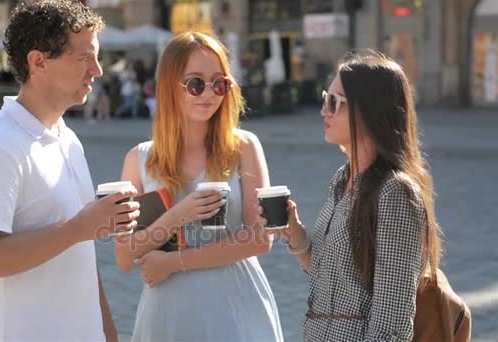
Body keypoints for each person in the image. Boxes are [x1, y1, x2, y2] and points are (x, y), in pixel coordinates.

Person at [0, 1, 139, 341]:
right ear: (38, 62)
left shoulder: (68, 139)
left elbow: (83, 260)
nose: (97, 70)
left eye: (96, 57)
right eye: (84, 57)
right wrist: (79, 228)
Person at [259, 50, 442, 341]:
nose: (324, 111)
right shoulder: (341, 180)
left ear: (370, 109)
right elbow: (329, 276)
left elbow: (391, 324)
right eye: (324, 99)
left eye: (335, 102)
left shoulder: (396, 194)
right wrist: (294, 232)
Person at [115, 32, 283, 341]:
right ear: (169, 86)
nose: (209, 94)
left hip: (235, 309)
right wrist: (178, 214)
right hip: (167, 315)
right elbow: (126, 257)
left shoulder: (244, 146)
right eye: (196, 83)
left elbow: (260, 240)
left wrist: (174, 262)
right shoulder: (138, 159)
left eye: (219, 83)